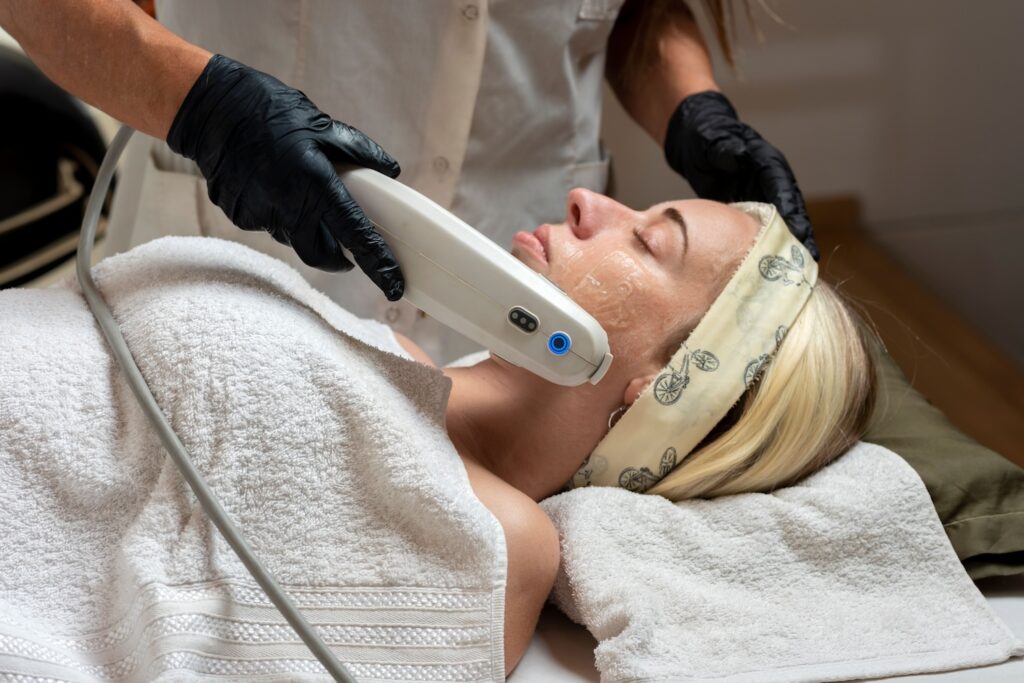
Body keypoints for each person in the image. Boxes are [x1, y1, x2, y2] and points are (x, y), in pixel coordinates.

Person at [0, 0, 818, 364]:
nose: (600, 212)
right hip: (238, 269)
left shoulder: (532, 539)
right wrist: (207, 108)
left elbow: (627, 9)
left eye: (654, 234)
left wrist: (693, 109)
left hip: (518, 309)